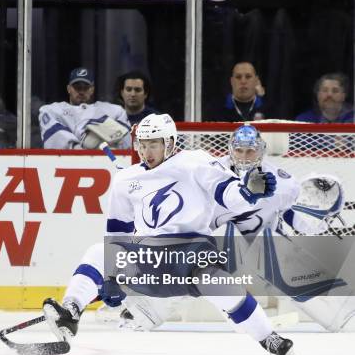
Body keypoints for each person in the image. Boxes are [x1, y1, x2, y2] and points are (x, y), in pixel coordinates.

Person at [42, 113, 298, 355]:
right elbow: (117, 234)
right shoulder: (125, 179)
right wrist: (111, 278)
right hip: (148, 259)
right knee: (98, 252)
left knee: (222, 285)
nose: (146, 152)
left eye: (154, 144)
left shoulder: (195, 161)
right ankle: (71, 312)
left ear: (171, 143)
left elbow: (227, 192)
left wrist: (248, 193)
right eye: (142, 145)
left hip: (191, 256)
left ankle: (268, 337)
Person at [115, 125, 352, 334]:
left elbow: (299, 221)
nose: (245, 156)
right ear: (230, 150)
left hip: (265, 255)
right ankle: (146, 310)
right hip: (216, 253)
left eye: (251, 151)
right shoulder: (210, 173)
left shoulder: (283, 183)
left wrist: (317, 215)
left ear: (261, 150)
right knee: (194, 255)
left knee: (274, 246)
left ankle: (340, 312)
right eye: (240, 150)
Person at [39, 67, 130, 149]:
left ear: (92, 89)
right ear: (68, 89)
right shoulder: (53, 110)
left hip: (104, 160)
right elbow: (53, 134)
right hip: (67, 161)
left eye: (85, 88)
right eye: (77, 87)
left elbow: (126, 143)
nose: (81, 92)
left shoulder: (114, 110)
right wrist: (77, 147)